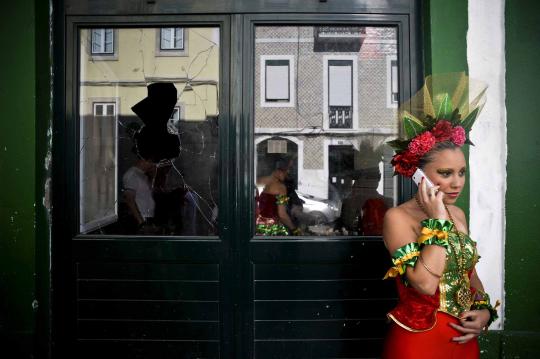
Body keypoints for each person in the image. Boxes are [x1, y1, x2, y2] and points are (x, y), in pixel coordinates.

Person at [381, 73, 499, 358]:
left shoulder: (458, 213)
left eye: (461, 172)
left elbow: (471, 276)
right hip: (418, 340)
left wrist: (484, 312)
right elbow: (424, 283)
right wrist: (438, 222)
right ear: (418, 174)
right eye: (445, 174)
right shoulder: (397, 218)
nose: (457, 183)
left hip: (463, 339)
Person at [256, 165, 300, 236]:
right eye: (286, 173)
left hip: (257, 227)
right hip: (272, 228)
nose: (286, 176)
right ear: (278, 171)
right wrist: (295, 230)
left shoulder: (258, 180)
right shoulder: (281, 187)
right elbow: (282, 214)